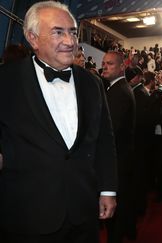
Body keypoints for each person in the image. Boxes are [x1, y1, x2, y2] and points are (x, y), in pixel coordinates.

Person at [0, 2, 117, 243]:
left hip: (84, 212)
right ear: (33, 38)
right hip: (27, 217)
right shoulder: (6, 81)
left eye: (73, 32)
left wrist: (107, 190)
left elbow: (105, 140)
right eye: (58, 32)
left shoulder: (92, 83)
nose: (69, 40)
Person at [101, 51, 136, 243]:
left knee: (115, 215)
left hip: (117, 162)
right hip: (121, 159)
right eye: (104, 63)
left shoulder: (119, 92)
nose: (104, 66)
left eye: (110, 64)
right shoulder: (116, 88)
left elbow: (110, 131)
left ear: (122, 67)